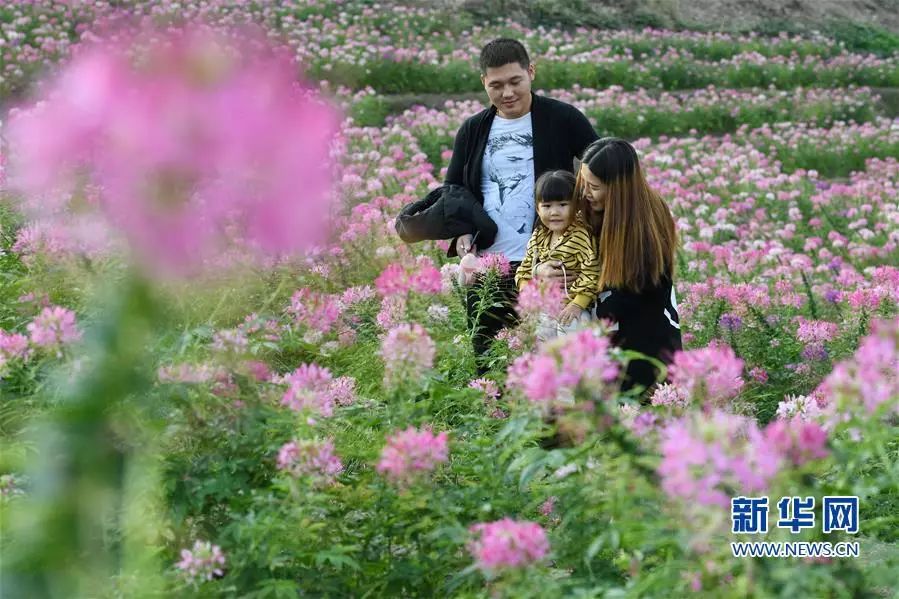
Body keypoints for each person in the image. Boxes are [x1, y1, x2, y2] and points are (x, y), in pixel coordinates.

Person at [444, 38, 598, 373]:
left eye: (516, 81)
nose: (507, 93)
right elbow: (454, 190)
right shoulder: (473, 129)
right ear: (483, 82)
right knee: (489, 364)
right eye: (496, 85)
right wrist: (461, 236)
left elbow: (603, 167)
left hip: (551, 267)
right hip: (488, 267)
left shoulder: (563, 118)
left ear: (531, 72)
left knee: (553, 366)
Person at [575, 137, 682, 396]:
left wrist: (588, 320)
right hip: (613, 327)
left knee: (639, 411)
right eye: (584, 183)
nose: (585, 193)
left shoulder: (645, 222)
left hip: (645, 338)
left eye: (595, 187)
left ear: (618, 189)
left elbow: (633, 295)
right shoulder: (596, 208)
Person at [515, 170, 599, 340]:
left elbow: (592, 272)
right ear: (537, 209)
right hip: (544, 309)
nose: (554, 212)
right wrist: (529, 296)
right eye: (546, 206)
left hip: (573, 309)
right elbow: (523, 271)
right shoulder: (539, 235)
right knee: (540, 350)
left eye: (562, 204)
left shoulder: (580, 235)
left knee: (572, 346)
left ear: (576, 205)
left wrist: (577, 304)